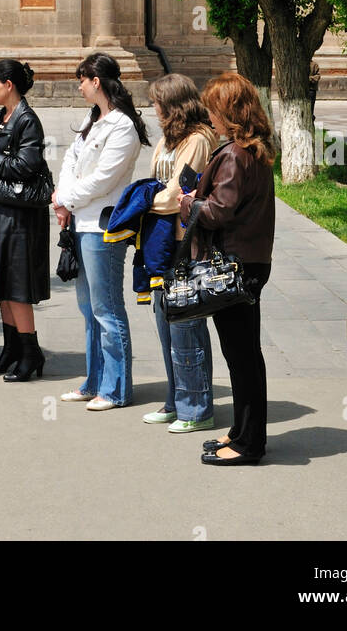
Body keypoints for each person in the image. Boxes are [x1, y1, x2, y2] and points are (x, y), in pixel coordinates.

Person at [178, 71, 276, 467]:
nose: (209, 115)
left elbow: (218, 211)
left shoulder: (236, 153)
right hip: (247, 261)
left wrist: (188, 203)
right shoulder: (250, 149)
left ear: (228, 111)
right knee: (245, 354)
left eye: (213, 109)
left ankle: (249, 444)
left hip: (233, 266)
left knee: (241, 356)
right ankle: (242, 431)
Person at [53, 52, 149, 411]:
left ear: (97, 81)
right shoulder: (93, 119)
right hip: (81, 221)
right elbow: (70, 161)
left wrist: (65, 199)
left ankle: (117, 388)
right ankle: (93, 381)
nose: (79, 85)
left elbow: (103, 178)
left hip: (103, 226)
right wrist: (62, 198)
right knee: (88, 308)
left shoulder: (123, 126)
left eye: (82, 79)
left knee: (107, 309)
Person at [142, 74, 218, 432]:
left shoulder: (199, 140)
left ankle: (197, 408)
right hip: (162, 242)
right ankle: (175, 400)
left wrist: (141, 203)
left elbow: (175, 195)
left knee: (186, 325)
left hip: (186, 243)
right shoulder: (169, 139)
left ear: (173, 105)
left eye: (158, 102)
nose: (154, 109)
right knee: (164, 320)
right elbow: (157, 184)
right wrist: (148, 201)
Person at [0, 59, 50, 382]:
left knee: (17, 284)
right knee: (1, 280)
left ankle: (31, 352)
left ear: (9, 85)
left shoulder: (27, 120)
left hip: (19, 214)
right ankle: (12, 347)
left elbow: (26, 165)